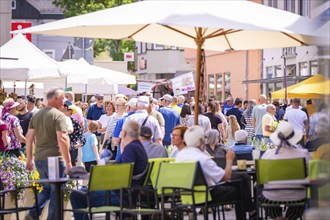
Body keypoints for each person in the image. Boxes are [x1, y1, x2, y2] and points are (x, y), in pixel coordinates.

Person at [70, 120, 148, 220]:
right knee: (81, 193)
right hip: (128, 193)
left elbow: (123, 172)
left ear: (123, 133)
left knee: (76, 195)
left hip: (119, 195)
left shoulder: (131, 148)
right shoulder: (138, 147)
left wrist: (103, 169)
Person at [175, 126, 256, 219]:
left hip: (187, 194)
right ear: (201, 141)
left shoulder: (180, 156)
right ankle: (251, 212)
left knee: (241, 179)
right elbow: (225, 177)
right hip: (208, 194)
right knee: (240, 188)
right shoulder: (202, 158)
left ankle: (252, 212)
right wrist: (229, 160)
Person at [25, 88, 71, 220]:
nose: (65, 100)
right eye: (63, 98)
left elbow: (29, 137)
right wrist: (68, 163)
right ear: (56, 99)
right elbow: (62, 138)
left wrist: (29, 158)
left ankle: (33, 214)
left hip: (40, 158)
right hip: (55, 159)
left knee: (46, 188)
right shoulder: (58, 115)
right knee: (56, 192)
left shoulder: (37, 115)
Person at [261, 121, 311, 220]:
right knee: (303, 199)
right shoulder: (303, 154)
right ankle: (290, 218)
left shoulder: (268, 155)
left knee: (262, 194)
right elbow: (311, 174)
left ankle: (277, 217)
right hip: (297, 196)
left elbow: (262, 177)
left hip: (271, 196)